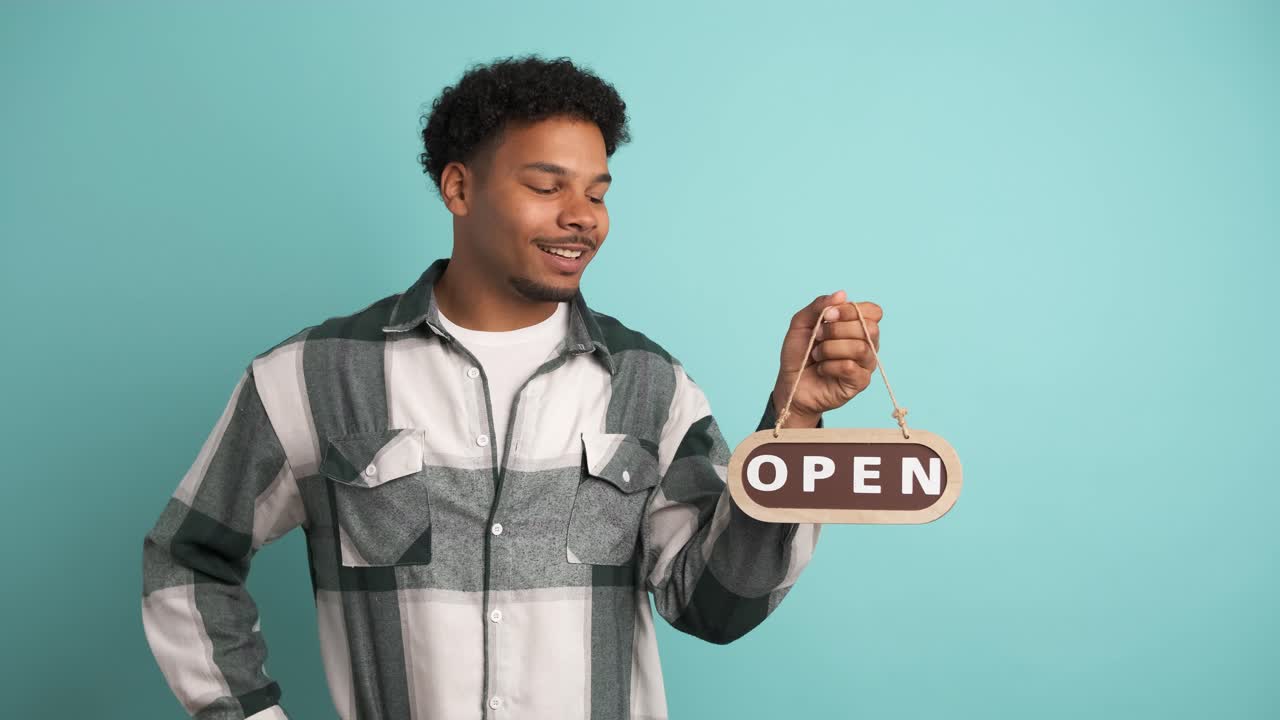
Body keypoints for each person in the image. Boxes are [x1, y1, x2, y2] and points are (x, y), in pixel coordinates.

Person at [141, 54, 884, 720]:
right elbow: (188, 556)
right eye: (545, 185)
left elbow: (718, 606)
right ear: (459, 189)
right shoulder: (311, 376)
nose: (581, 218)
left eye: (597, 192)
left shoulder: (651, 385)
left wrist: (795, 420)